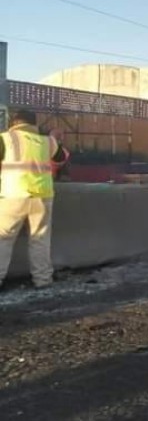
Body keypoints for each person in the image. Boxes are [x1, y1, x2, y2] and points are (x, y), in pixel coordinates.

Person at [0, 110, 69, 290]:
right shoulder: (47, 141)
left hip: (13, 195)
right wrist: (56, 138)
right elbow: (61, 158)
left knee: (4, 239)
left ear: (14, 122)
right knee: (40, 240)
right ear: (34, 124)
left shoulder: (5, 138)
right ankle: (43, 280)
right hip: (43, 197)